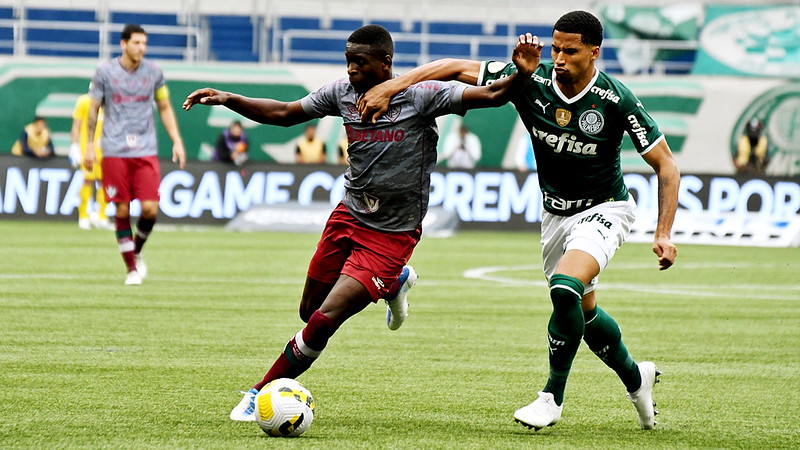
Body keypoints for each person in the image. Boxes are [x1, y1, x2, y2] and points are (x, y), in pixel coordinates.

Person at [183, 24, 541, 422]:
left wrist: (522, 74)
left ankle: (258, 392)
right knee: (310, 311)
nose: (351, 69)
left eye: (360, 61)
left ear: (385, 63)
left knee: (324, 320)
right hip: (348, 216)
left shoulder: (422, 96)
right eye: (348, 60)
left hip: (391, 234)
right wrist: (230, 98)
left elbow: (490, 94)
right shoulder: (343, 93)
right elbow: (285, 114)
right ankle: (396, 281)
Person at [359, 10, 679, 431]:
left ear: (594, 52)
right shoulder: (530, 78)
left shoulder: (616, 99)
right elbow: (453, 67)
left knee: (565, 289)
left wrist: (663, 232)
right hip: (555, 215)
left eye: (571, 50)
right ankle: (638, 379)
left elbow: (667, 166)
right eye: (556, 48)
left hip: (606, 209)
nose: (559, 57)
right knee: (584, 313)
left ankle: (551, 397)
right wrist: (392, 85)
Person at [85, 23, 186, 286]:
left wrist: (176, 139)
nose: (141, 48)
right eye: (136, 43)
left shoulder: (154, 73)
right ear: (123, 44)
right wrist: (87, 145)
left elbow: (164, 106)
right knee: (121, 207)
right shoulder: (105, 72)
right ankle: (131, 269)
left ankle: (136, 250)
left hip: (145, 149)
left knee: (150, 209)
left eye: (144, 43)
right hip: (114, 149)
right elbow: (93, 109)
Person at [71, 88, 112, 230]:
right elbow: (76, 125)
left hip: (105, 150)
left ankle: (101, 215)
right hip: (87, 149)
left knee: (105, 182)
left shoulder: (110, 103)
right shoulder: (84, 101)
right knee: (87, 180)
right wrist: (74, 145)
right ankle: (83, 215)